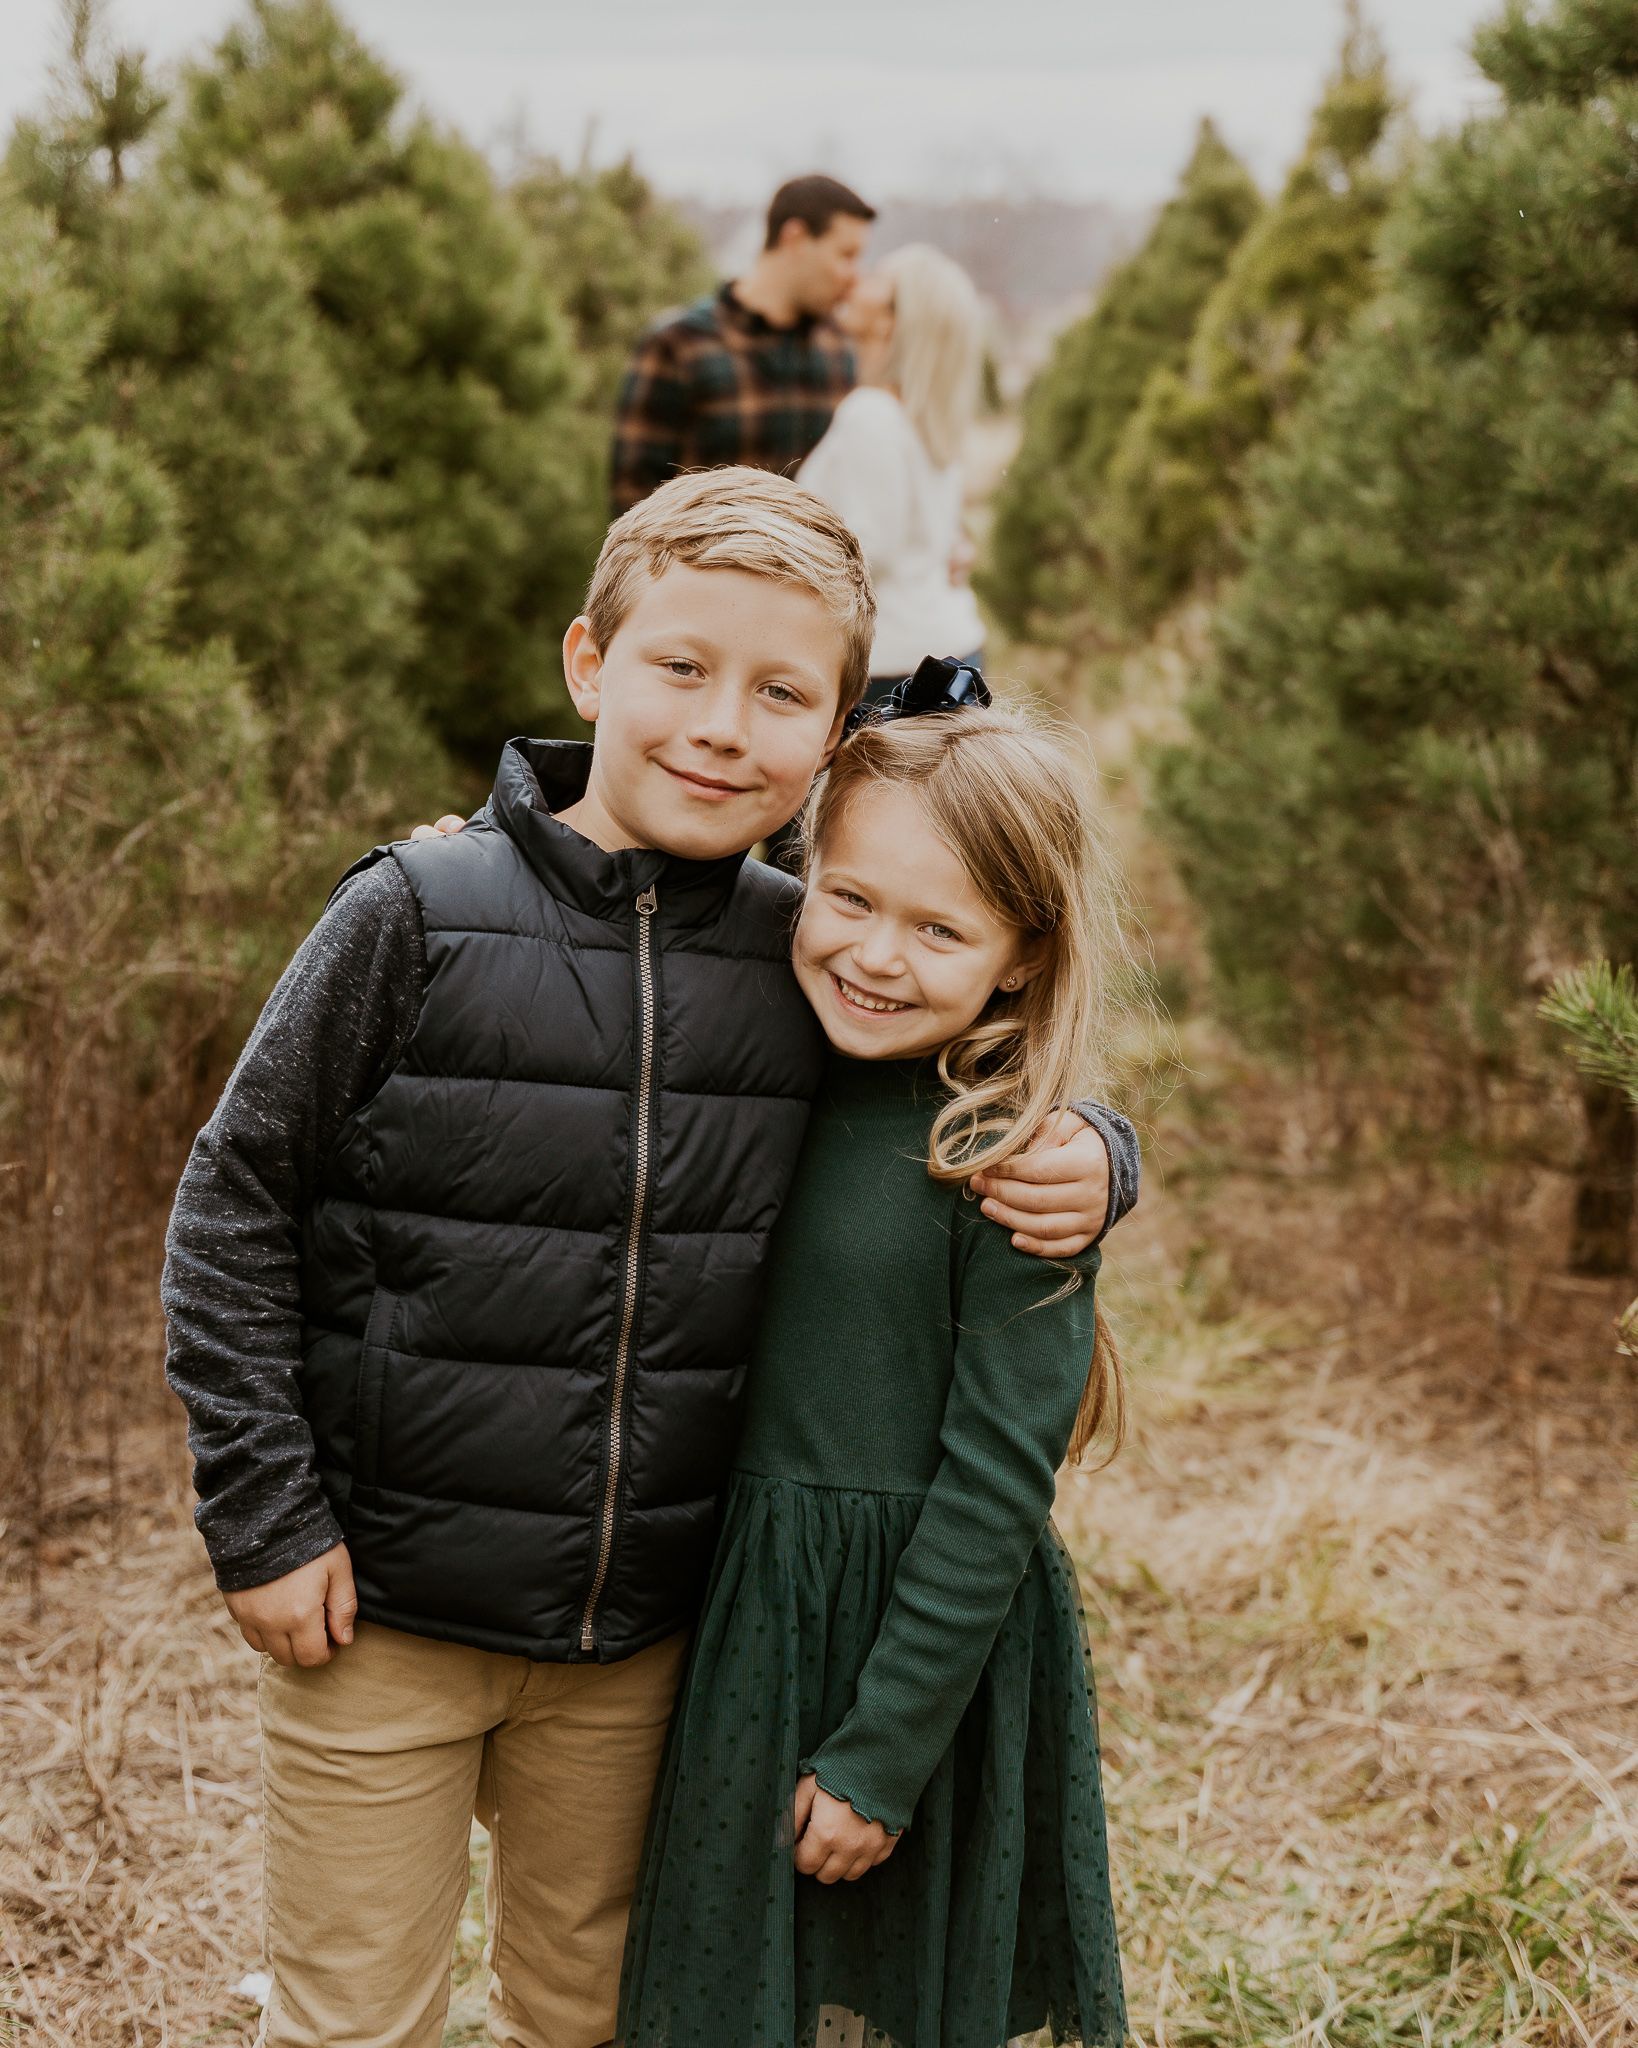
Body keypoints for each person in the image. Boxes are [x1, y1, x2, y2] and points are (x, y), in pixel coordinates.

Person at [161, 469, 1138, 2048]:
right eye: (680, 667)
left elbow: (960, 1065)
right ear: (588, 664)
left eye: (778, 693)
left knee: (596, 2012)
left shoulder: (797, 947)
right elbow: (231, 1214)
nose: (719, 725)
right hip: (382, 1614)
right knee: (352, 2021)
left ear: (832, 736)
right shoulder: (418, 916)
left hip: (643, 1648)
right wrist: (263, 1513)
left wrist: (1101, 1155)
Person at [620, 668, 1129, 2047]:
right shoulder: (764, 1036)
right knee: (735, 1986)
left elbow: (993, 1488)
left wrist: (882, 1754)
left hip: (912, 1648)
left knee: (891, 1991)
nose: (875, 956)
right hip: (748, 1621)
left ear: (1021, 952)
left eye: (937, 929)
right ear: (803, 876)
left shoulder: (1008, 1158)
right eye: (847, 901)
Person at [610, 174, 875, 516]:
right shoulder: (679, 345)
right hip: (706, 565)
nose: (855, 276)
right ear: (794, 238)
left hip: (815, 568)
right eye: (846, 255)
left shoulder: (840, 350)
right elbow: (633, 506)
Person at [798, 243, 989, 706]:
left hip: (888, 667)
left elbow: (867, 548)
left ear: (891, 318)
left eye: (876, 277)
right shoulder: (922, 415)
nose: (857, 280)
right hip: (946, 651)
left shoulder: (873, 413)